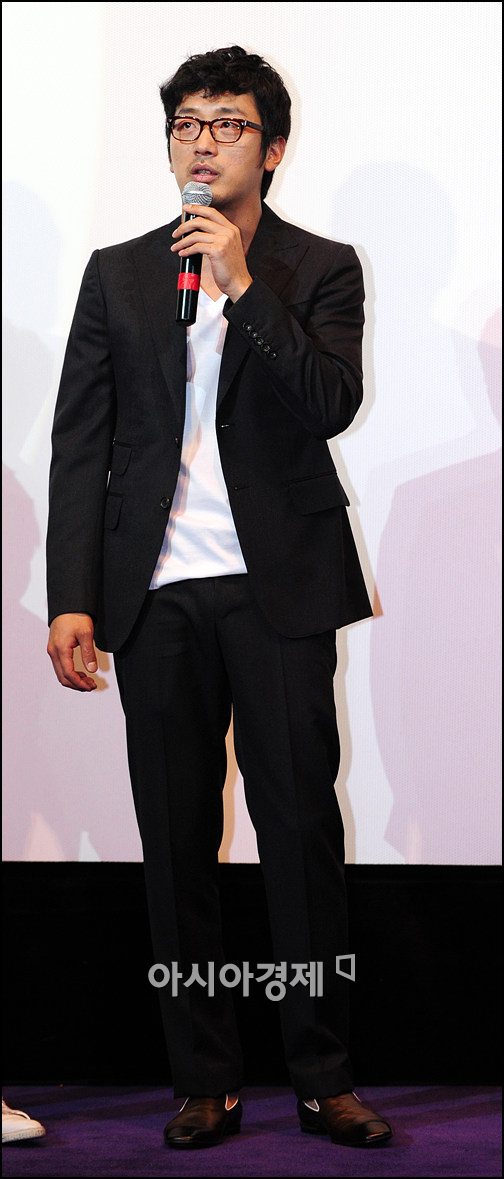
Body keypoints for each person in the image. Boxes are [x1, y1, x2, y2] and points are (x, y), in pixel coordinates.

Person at [46, 46, 393, 1149]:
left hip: (277, 589)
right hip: (156, 594)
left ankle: (323, 1074)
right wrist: (71, 594)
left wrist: (245, 288)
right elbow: (81, 442)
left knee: (301, 833)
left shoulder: (318, 267)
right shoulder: (119, 274)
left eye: (227, 124)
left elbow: (330, 402)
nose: (202, 142)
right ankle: (204, 1076)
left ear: (272, 148)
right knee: (176, 842)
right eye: (187, 125)